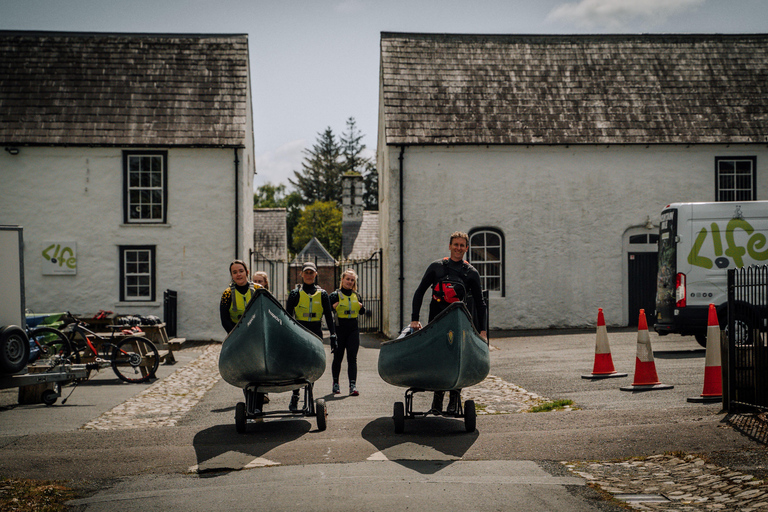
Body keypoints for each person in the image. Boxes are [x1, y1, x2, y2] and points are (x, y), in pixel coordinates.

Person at [410, 231, 487, 414]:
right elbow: (419, 292)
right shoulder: (436, 267)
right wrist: (414, 319)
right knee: (438, 359)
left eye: (462, 245)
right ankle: (437, 401)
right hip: (436, 320)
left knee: (457, 359)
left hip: (459, 321)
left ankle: (454, 398)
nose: (458, 248)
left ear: (467, 248)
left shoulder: (471, 273)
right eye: (456, 244)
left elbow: (480, 303)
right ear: (450, 246)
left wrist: (483, 331)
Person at [285, 261, 337, 411]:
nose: (308, 275)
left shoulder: (322, 294)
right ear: (301, 274)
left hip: (315, 333)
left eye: (311, 272)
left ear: (316, 274)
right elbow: (287, 316)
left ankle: (309, 394)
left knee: (312, 364)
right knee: (298, 365)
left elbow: (328, 316)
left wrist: (333, 335)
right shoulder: (295, 293)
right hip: (299, 332)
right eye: (306, 272)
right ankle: (295, 396)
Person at [219, 260, 269, 408]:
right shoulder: (227, 294)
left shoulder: (259, 290)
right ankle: (250, 402)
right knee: (246, 370)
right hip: (239, 336)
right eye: (234, 272)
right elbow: (225, 320)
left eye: (241, 271)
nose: (238, 274)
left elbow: (268, 311)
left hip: (257, 335)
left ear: (247, 272)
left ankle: (259, 402)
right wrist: (236, 335)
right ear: (232, 275)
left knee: (259, 369)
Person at [329, 269, 366, 396]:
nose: (349, 282)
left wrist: (362, 307)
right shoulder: (335, 295)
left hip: (353, 330)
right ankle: (335, 384)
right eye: (347, 279)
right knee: (338, 358)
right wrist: (332, 307)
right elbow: (326, 311)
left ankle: (352, 386)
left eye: (352, 280)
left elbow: (361, 312)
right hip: (339, 329)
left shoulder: (357, 295)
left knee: (352, 358)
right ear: (342, 280)